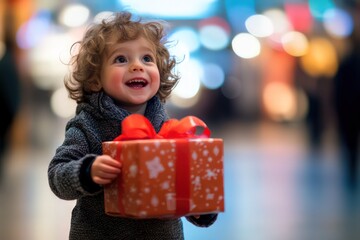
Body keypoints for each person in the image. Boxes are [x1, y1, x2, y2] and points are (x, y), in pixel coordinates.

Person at [48, 11, 218, 240]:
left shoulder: (168, 129)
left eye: (147, 59)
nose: (137, 66)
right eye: (121, 59)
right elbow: (57, 174)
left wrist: (201, 208)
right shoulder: (87, 125)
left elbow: (184, 184)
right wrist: (88, 171)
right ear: (95, 79)